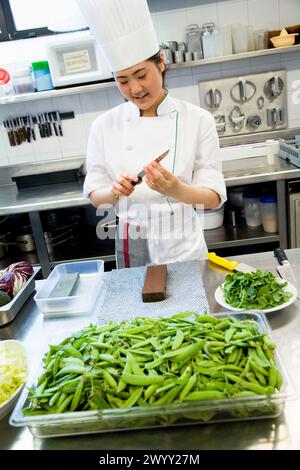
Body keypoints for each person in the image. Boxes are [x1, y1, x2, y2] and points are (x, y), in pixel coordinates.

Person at [77, 0, 227, 268]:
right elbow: (94, 195)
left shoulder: (197, 119)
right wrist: (114, 192)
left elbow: (213, 196)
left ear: (161, 62)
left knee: (191, 308)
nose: (135, 89)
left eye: (141, 75)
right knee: (135, 308)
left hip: (181, 241)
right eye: (122, 81)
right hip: (130, 237)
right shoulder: (103, 126)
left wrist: (177, 189)